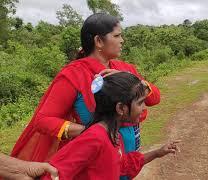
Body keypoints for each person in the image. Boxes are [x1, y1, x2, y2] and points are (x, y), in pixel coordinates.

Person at [11, 12, 160, 168]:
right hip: (97, 157)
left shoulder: (126, 69)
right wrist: (90, 132)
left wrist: (132, 79)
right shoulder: (73, 75)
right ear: (99, 41)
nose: (122, 40)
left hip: (129, 154)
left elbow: (154, 99)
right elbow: (43, 120)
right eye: (117, 36)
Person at [41, 72, 179, 180]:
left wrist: (157, 153)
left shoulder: (113, 134)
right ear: (120, 108)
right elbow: (53, 173)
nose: (144, 108)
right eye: (140, 102)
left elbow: (120, 164)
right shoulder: (94, 138)